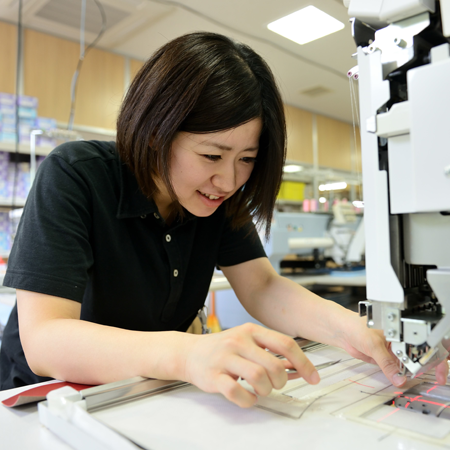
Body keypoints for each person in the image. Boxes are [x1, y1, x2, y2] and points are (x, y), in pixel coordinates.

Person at [0, 32, 447, 406]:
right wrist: (189, 353)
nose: (229, 179)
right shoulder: (76, 174)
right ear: (157, 130)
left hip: (141, 393)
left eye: (247, 159)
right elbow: (46, 339)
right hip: (43, 401)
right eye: (212, 155)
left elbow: (263, 286)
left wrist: (355, 330)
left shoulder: (216, 200)